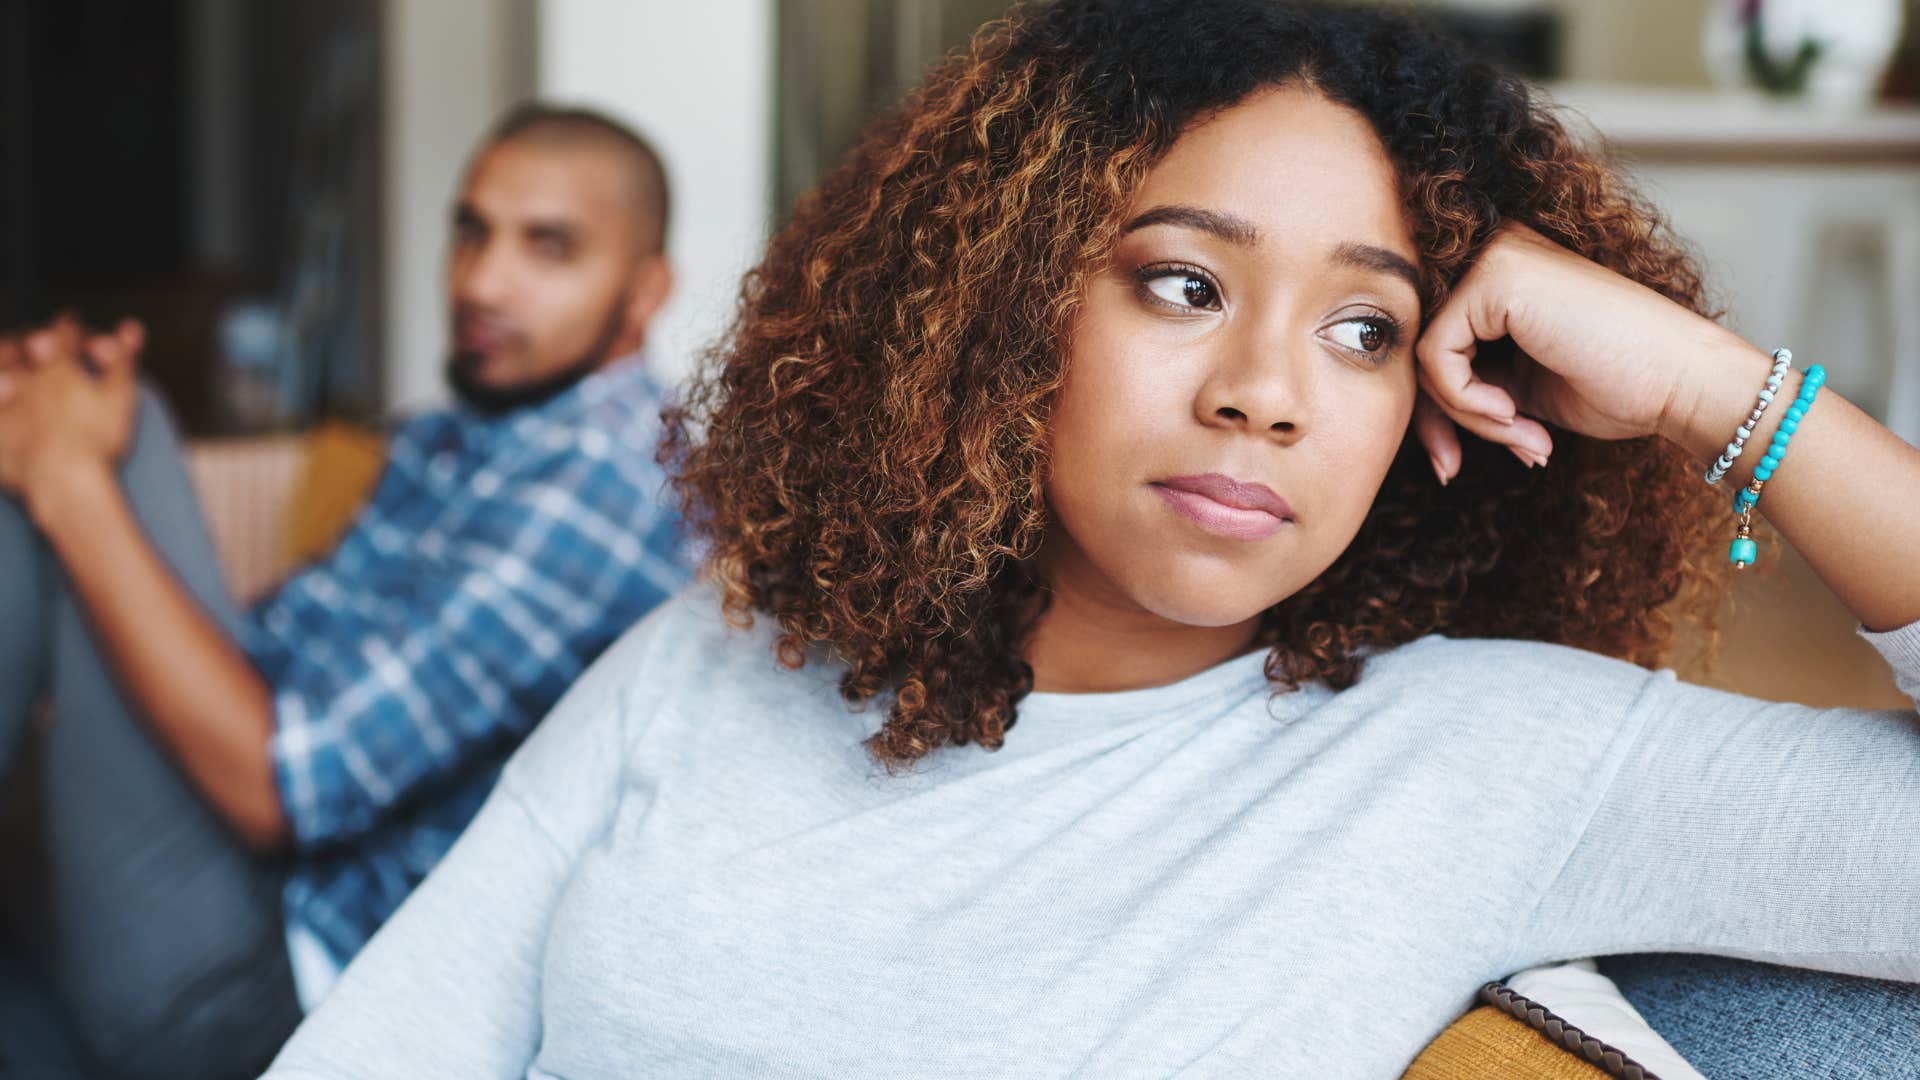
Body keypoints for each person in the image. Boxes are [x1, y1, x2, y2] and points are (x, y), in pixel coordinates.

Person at [264, 4, 1920, 1077]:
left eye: (1363, 328)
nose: (1266, 391)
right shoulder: (721, 647)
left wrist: (1726, 391)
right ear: (1003, 308)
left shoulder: (1486, 757)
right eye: (1185, 285)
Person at [0, 103, 692, 1079]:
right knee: (74, 411)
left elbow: (282, 786)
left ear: (645, 289)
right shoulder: (456, 437)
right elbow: (262, 655)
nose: (483, 280)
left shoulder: (605, 478)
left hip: (280, 987)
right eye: (472, 230)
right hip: (247, 890)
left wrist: (68, 474)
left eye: (550, 247)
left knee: (116, 433)